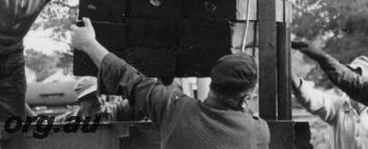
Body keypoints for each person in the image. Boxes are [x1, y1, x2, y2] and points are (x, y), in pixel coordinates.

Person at [70, 17, 270, 148]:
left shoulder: (175, 109)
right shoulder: (258, 131)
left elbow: (128, 77)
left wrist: (88, 43)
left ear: (212, 83)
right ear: (246, 97)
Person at [291, 55, 368, 149]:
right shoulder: (337, 107)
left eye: (359, 78)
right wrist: (286, 66)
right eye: (351, 77)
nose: (354, 83)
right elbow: (307, 95)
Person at [58, 76, 139, 122]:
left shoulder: (117, 110)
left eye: (100, 95)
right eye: (91, 98)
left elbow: (139, 101)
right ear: (80, 103)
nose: (99, 101)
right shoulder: (68, 119)